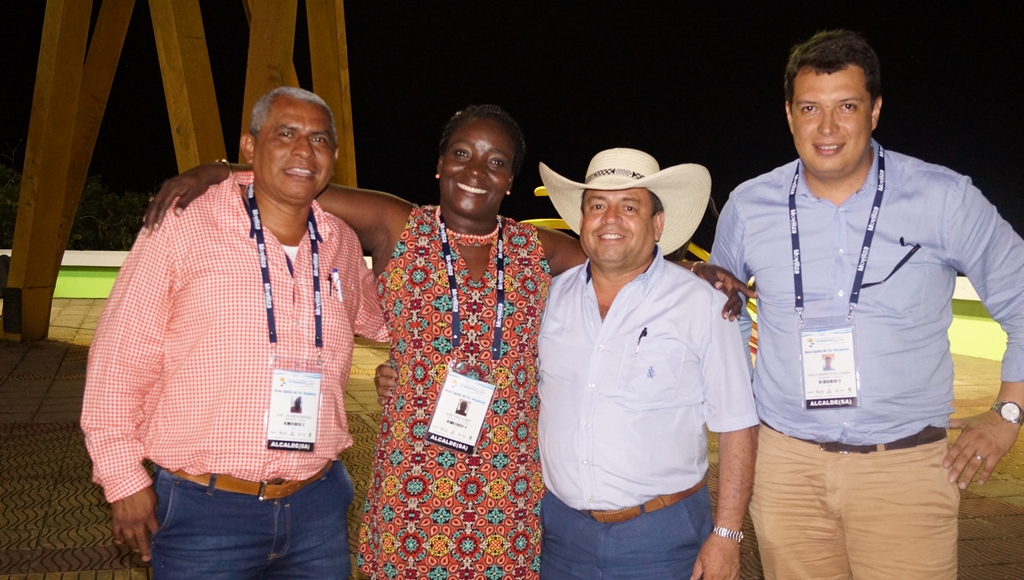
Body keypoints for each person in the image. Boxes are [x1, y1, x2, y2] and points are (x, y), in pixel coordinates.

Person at [148, 105, 752, 579]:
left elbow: (618, 256)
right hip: (413, 484)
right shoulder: (397, 224)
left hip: (507, 495)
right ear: (439, 164)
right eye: (461, 154)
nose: (475, 170)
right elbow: (298, 185)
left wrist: (696, 271)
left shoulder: (534, 251)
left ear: (510, 180)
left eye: (494, 161)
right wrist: (223, 174)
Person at [709, 30, 1024, 579]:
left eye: (846, 107)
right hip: (786, 470)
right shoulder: (748, 205)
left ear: (874, 111)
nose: (827, 128)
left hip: (904, 470)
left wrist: (1008, 413)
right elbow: (723, 312)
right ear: (789, 115)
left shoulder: (943, 198)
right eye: (810, 108)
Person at [81, 87, 388, 579]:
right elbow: (120, 358)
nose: (303, 151)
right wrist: (122, 478)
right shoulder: (184, 226)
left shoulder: (340, 242)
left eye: (319, 139)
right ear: (250, 146)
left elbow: (385, 319)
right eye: (285, 134)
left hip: (318, 508)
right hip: (206, 512)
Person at [535, 148, 758, 580]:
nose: (610, 218)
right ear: (582, 220)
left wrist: (727, 534)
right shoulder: (546, 300)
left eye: (629, 205)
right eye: (597, 205)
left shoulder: (703, 305)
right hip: (560, 537)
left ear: (657, 223)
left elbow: (738, 425)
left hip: (662, 539)